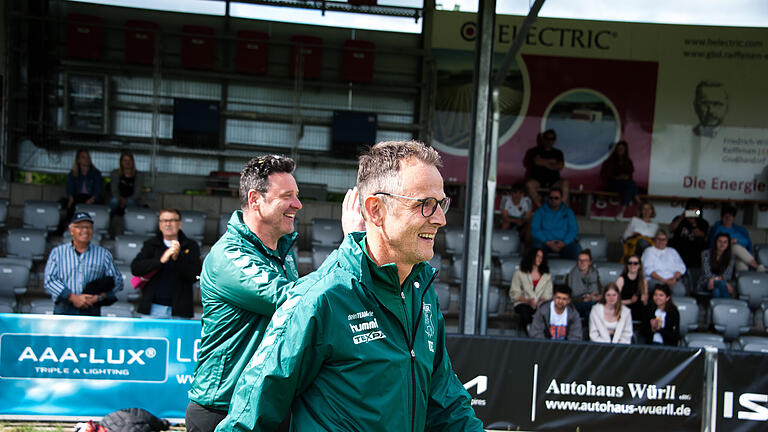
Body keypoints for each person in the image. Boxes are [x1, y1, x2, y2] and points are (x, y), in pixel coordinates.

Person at [217, 141, 484, 431]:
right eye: (425, 205)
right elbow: (248, 420)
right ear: (376, 210)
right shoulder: (321, 298)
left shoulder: (422, 292)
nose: (440, 219)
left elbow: (446, 403)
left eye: (441, 204)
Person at [186, 155, 364, 432]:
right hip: (223, 410)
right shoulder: (229, 255)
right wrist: (350, 244)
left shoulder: (282, 252)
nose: (298, 204)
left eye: (297, 195)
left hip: (266, 406)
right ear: (255, 199)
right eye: (288, 196)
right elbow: (294, 302)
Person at [44, 212, 123, 316]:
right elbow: (49, 280)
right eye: (80, 227)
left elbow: (118, 281)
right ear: (71, 230)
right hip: (64, 308)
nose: (85, 230)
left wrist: (98, 297)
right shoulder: (58, 253)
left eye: (88, 227)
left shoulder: (103, 254)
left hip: (91, 308)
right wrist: (72, 297)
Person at [131, 208, 202, 319]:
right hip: (152, 308)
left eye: (172, 220)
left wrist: (178, 257)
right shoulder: (151, 244)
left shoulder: (190, 246)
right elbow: (135, 268)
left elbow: (196, 276)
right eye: (164, 220)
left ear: (180, 223)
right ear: (159, 225)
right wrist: (160, 260)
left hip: (180, 310)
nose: (168, 224)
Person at [708, 204, 765, 272]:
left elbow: (746, 242)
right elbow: (714, 243)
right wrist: (729, 242)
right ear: (722, 217)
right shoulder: (717, 229)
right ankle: (757, 267)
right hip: (723, 254)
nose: (728, 218)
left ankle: (744, 281)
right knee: (735, 247)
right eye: (726, 216)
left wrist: (736, 240)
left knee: (742, 264)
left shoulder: (739, 229)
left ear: (733, 218)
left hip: (738, 255)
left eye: (730, 216)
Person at [508, 247, 553, 330]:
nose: (540, 259)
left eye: (541, 257)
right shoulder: (519, 273)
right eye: (537, 256)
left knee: (546, 313)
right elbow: (514, 293)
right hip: (523, 303)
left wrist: (540, 302)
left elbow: (548, 294)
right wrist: (528, 301)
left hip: (540, 305)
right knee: (525, 312)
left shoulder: (547, 276)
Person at [530, 187, 581, 259]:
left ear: (561, 199)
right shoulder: (540, 211)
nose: (553, 200)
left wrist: (564, 243)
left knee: (577, 251)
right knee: (535, 249)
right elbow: (534, 230)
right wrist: (547, 242)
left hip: (564, 243)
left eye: (556, 198)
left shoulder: (568, 212)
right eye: (551, 198)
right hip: (545, 243)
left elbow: (573, 230)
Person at [523, 129, 569, 207]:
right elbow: (537, 162)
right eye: (547, 138)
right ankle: (541, 208)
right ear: (543, 139)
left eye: (552, 139)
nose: (549, 141)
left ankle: (562, 208)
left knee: (565, 183)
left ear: (554, 140)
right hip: (537, 180)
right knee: (529, 184)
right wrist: (552, 162)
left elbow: (560, 166)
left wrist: (543, 162)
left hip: (554, 181)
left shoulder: (558, 152)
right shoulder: (535, 150)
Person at [642, 228, 687, 297]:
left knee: (680, 290)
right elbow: (649, 270)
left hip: (672, 280)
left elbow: (681, 267)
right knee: (662, 291)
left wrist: (674, 279)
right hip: (656, 280)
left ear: (667, 241)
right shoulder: (649, 251)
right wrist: (664, 281)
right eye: (658, 239)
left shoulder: (672, 251)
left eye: (663, 240)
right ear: (654, 239)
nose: (661, 242)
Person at [65, 149, 104, 225]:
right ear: (78, 160)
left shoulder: (96, 173)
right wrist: (70, 198)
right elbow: (69, 189)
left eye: (87, 157)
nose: (86, 159)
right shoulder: (73, 174)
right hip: (78, 198)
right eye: (83, 157)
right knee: (72, 205)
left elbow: (98, 190)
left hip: (91, 198)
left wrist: (91, 200)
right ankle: (69, 226)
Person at [600, 140, 639, 218]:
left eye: (622, 149)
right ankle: (638, 200)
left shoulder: (628, 162)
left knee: (628, 186)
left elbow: (630, 176)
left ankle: (622, 212)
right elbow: (606, 176)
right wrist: (619, 177)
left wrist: (625, 178)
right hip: (613, 185)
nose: (620, 151)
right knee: (629, 185)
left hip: (625, 185)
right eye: (619, 149)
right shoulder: (610, 162)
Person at [668, 198, 709, 268]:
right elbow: (671, 229)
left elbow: (701, 235)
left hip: (694, 249)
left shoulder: (703, 222)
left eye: (695, 211)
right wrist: (682, 217)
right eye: (691, 210)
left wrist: (693, 224)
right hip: (679, 245)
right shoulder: (679, 218)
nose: (692, 212)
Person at [697, 233, 735, 298]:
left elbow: (727, 275)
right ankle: (727, 306)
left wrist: (714, 279)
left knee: (716, 291)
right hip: (705, 282)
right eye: (720, 241)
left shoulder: (731, 257)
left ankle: (717, 307)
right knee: (721, 284)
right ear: (715, 242)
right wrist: (722, 282)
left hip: (720, 284)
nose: (722, 244)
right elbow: (707, 273)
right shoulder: (705, 253)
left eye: (725, 242)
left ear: (728, 244)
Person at [567, 249, 602, 319]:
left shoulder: (594, 273)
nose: (582, 262)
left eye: (585, 260)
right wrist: (584, 298)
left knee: (590, 312)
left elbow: (599, 291)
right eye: (580, 260)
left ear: (590, 262)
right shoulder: (573, 274)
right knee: (595, 306)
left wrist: (596, 297)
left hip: (592, 301)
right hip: (577, 303)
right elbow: (570, 297)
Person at [615, 254, 648, 321]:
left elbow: (645, 302)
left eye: (635, 263)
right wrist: (630, 301)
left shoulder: (643, 281)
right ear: (627, 265)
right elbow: (614, 301)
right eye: (630, 263)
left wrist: (644, 300)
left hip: (638, 309)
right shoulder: (621, 280)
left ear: (639, 266)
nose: (632, 265)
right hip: (624, 308)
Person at [110, 151, 144, 216]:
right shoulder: (115, 173)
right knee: (114, 201)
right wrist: (121, 199)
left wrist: (126, 200)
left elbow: (137, 193)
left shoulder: (139, 175)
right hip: (118, 198)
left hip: (132, 199)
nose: (127, 162)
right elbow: (114, 190)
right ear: (121, 162)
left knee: (130, 202)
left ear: (133, 162)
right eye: (125, 160)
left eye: (129, 160)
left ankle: (132, 219)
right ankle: (110, 219)